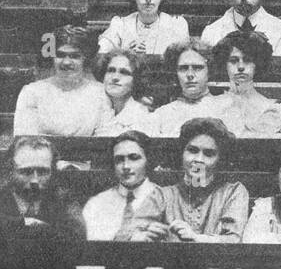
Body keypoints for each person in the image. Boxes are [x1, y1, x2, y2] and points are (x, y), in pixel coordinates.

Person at [119, 118, 249, 243]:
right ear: (181, 153)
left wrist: (197, 238)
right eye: (192, 150)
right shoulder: (163, 195)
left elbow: (233, 239)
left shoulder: (233, 192)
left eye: (208, 154)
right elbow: (125, 235)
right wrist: (141, 236)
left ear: (220, 159)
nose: (198, 159)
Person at [14, 25, 113, 136]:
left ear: (84, 59)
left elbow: (103, 138)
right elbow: (25, 137)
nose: (66, 62)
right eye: (60, 55)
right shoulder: (32, 92)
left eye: (74, 56)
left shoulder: (99, 93)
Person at [3, 136, 84, 241]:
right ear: (11, 171)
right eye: (26, 172)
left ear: (53, 171)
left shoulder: (64, 199)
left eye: (42, 172)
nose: (34, 181)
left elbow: (77, 236)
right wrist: (24, 223)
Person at [83, 132, 159, 242]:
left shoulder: (165, 200)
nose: (126, 166)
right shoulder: (96, 204)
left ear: (148, 160)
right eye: (119, 160)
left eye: (134, 158)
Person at [211, 30, 278, 137]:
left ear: (257, 64)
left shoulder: (269, 107)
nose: (241, 67)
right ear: (224, 65)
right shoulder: (213, 105)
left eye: (247, 60)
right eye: (233, 61)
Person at [151, 39, 223, 137]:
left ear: (209, 70)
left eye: (197, 68)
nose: (190, 75)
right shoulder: (162, 115)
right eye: (183, 68)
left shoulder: (225, 109)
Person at [94, 49, 155, 136]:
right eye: (111, 70)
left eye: (124, 72)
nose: (115, 77)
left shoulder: (142, 117)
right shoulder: (94, 109)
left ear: (136, 80)